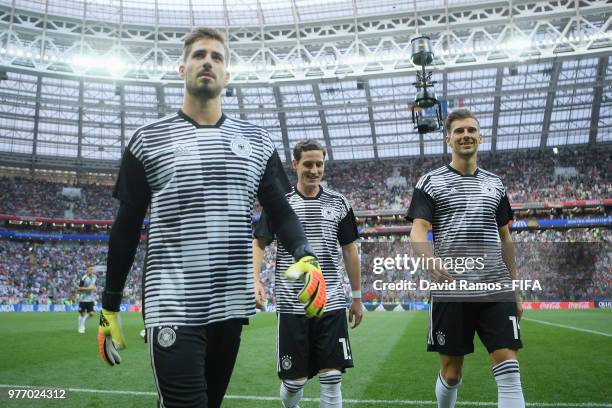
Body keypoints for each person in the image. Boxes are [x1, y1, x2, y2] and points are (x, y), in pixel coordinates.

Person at [97, 26, 324, 408]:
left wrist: (306, 253)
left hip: (231, 303)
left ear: (227, 75)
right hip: (172, 302)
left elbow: (282, 212)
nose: (208, 62)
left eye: (217, 57)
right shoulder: (147, 139)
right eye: (200, 55)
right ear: (181, 68)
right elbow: (126, 228)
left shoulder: (257, 141)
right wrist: (109, 304)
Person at [407, 108, 525, 408]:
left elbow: (506, 239)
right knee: (451, 373)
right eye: (459, 131)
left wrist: (515, 289)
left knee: (509, 367)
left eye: (471, 130)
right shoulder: (430, 182)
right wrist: (430, 261)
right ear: (448, 139)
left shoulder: (495, 184)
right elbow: (417, 232)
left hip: (495, 287)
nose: (465, 135)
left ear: (480, 136)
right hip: (452, 291)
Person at [253, 139, 363, 408]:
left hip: (332, 301)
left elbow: (350, 251)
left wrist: (357, 298)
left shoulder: (339, 204)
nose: (314, 170)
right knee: (294, 383)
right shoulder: (280, 204)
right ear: (295, 165)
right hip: (293, 305)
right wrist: (254, 279)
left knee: (332, 379)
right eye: (308, 164)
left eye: (319, 164)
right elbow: (259, 242)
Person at [77, 265, 96, 333]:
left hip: (90, 298)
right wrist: (89, 288)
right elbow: (79, 289)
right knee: (82, 314)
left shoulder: (94, 277)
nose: (92, 271)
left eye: (92, 269)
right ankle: (80, 328)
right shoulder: (83, 278)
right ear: (87, 270)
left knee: (91, 314)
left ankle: (82, 324)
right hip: (83, 299)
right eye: (90, 269)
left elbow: (93, 285)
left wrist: (94, 288)